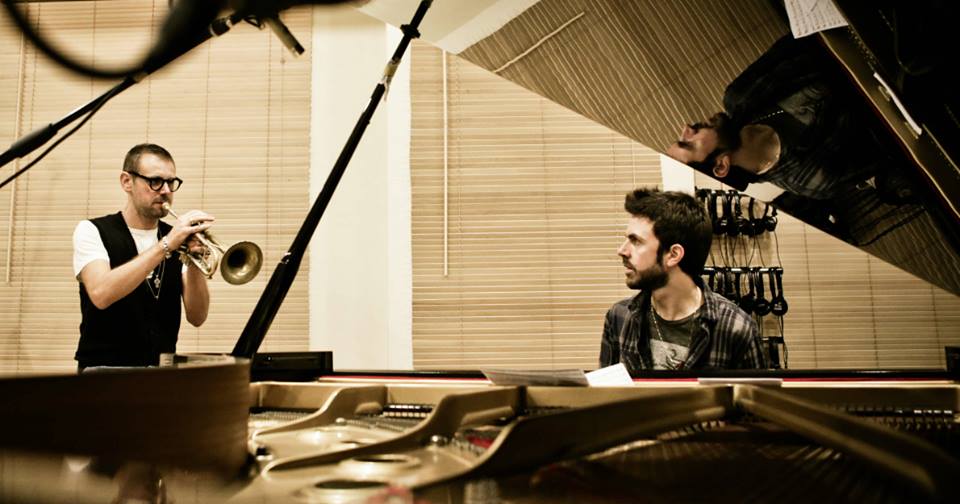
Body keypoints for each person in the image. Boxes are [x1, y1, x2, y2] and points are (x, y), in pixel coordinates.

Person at [665, 34, 913, 203]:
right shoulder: (815, 179)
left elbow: (802, 38)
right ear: (721, 166)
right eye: (687, 143)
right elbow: (900, 145)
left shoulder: (739, 96)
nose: (686, 128)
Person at [72, 143, 214, 371]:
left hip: (161, 375)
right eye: (155, 181)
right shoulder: (92, 230)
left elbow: (197, 316)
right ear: (126, 182)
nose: (165, 190)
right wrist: (166, 245)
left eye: (171, 182)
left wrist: (195, 261)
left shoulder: (177, 238)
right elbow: (101, 293)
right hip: (104, 374)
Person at [600, 188, 765, 371]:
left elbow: (756, 391)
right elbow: (608, 388)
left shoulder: (736, 328)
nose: (622, 250)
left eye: (636, 241)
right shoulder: (619, 317)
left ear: (673, 255)